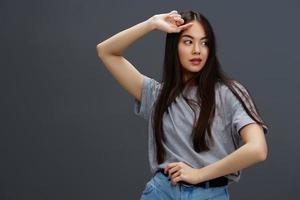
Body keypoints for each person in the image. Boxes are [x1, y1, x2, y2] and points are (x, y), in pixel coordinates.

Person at [96, 10, 269, 200]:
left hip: (210, 194)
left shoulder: (229, 92)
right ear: (174, 47)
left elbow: (257, 149)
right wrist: (152, 23)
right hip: (161, 192)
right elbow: (106, 51)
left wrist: (199, 174)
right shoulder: (157, 94)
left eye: (204, 43)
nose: (197, 50)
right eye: (188, 41)